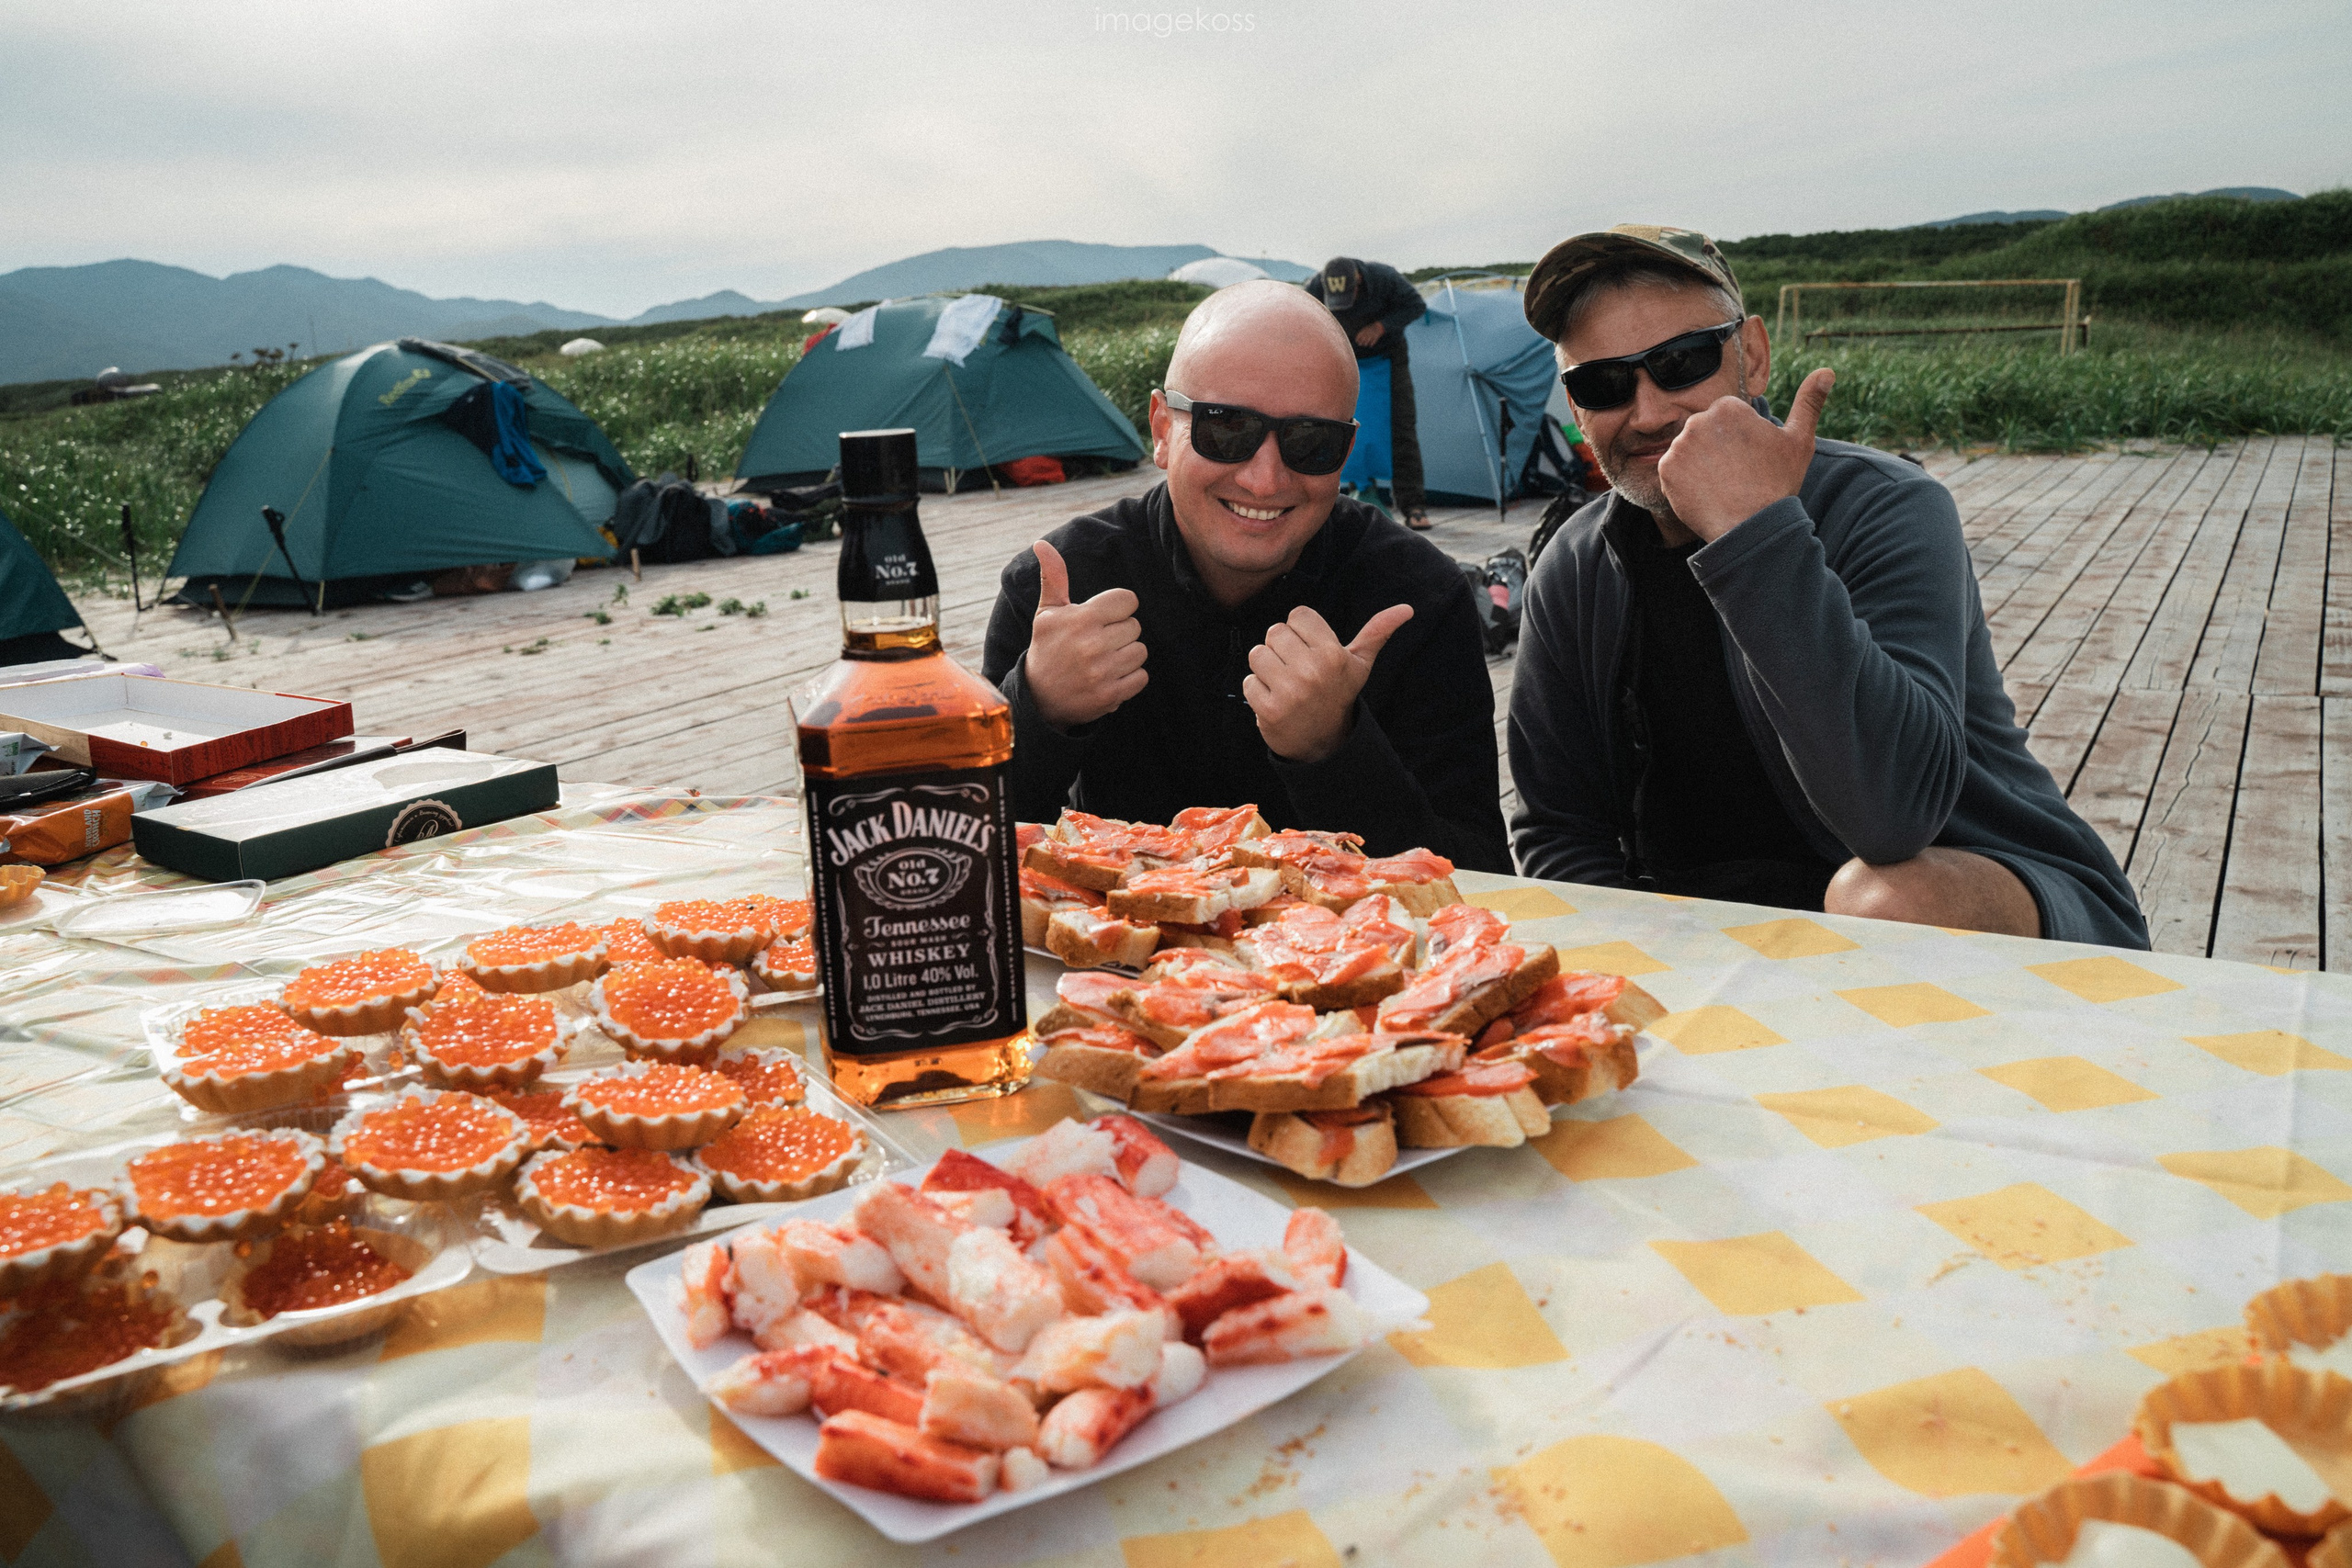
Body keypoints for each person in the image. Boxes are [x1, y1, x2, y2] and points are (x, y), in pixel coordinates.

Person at [1507, 225, 2147, 946]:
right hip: (1705, 933)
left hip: (1972, 894)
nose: (1650, 411)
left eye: (1681, 362)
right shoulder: (1573, 569)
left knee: (1877, 901)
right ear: (1573, 406)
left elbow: (1893, 813)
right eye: (1605, 383)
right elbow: (1561, 833)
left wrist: (1754, 532)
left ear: (1751, 354)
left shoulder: (1888, 504)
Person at [981, 280, 1510, 872]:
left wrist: (1334, 752)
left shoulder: (1416, 598)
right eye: (1225, 427)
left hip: (1344, 958)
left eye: (1311, 442)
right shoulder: (1056, 591)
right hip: (1117, 950)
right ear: (1162, 429)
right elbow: (967, 858)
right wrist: (1037, 710)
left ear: (1347, 450)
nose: (1265, 479)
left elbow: (1482, 874)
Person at [1306, 257, 1432, 530]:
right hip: (1342, 360)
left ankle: (1413, 506)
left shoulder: (1384, 278)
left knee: (1401, 427)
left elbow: (1417, 305)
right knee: (1339, 428)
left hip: (1388, 359)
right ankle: (1343, 502)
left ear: (1359, 280)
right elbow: (1300, 317)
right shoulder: (1315, 286)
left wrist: (1381, 326)